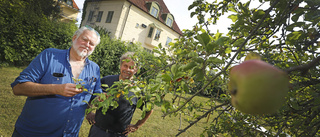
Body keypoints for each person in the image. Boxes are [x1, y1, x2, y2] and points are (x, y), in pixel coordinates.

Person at [10, 25, 103, 137]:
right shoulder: (50, 55)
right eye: (84, 39)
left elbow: (94, 97)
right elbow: (18, 88)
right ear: (74, 38)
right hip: (34, 133)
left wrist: (102, 99)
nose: (87, 45)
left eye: (92, 44)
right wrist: (56, 89)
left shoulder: (94, 68)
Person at [86, 52, 153, 137]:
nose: (128, 69)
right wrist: (88, 112)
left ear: (136, 70)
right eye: (125, 66)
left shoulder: (138, 90)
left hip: (119, 134)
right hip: (98, 131)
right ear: (120, 66)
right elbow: (91, 95)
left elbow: (149, 110)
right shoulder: (106, 80)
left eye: (131, 67)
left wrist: (137, 125)